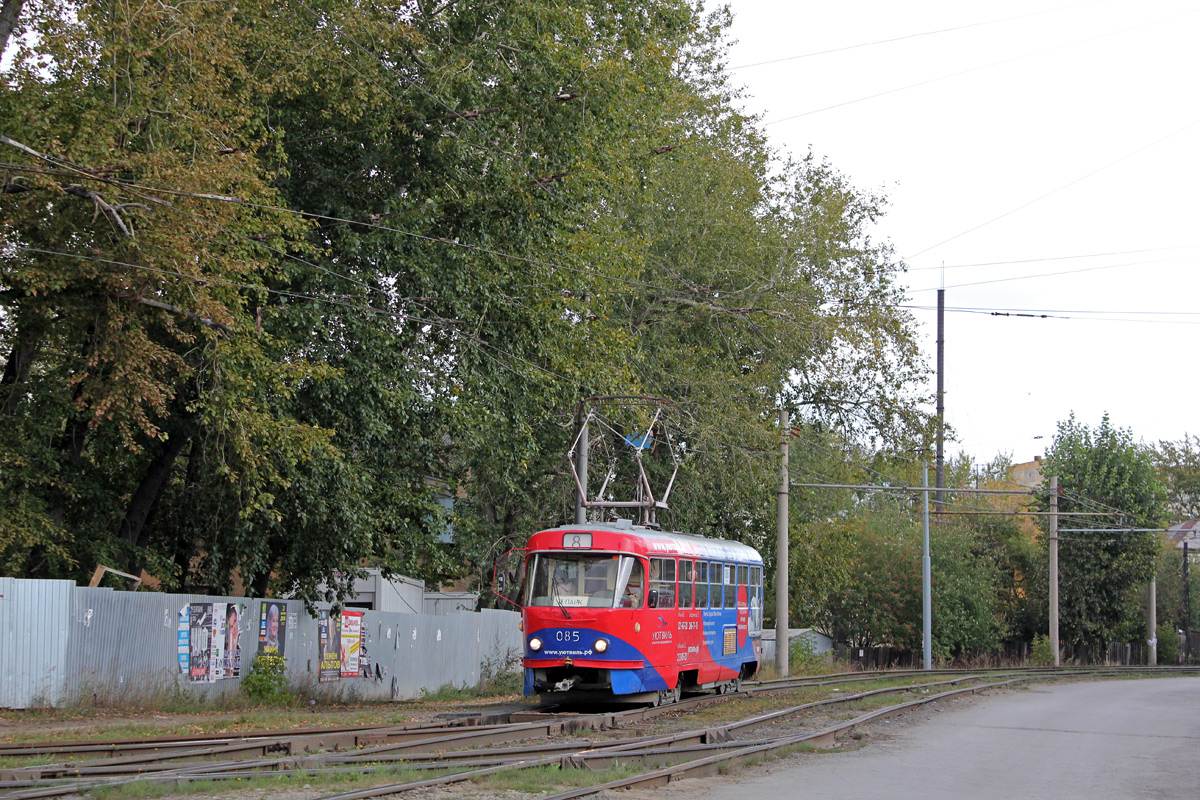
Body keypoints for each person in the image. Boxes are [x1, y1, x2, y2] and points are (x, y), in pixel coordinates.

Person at [224, 605, 241, 677]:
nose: (234, 628)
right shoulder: (225, 646)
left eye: (235, 622)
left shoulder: (239, 647)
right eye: (231, 626)